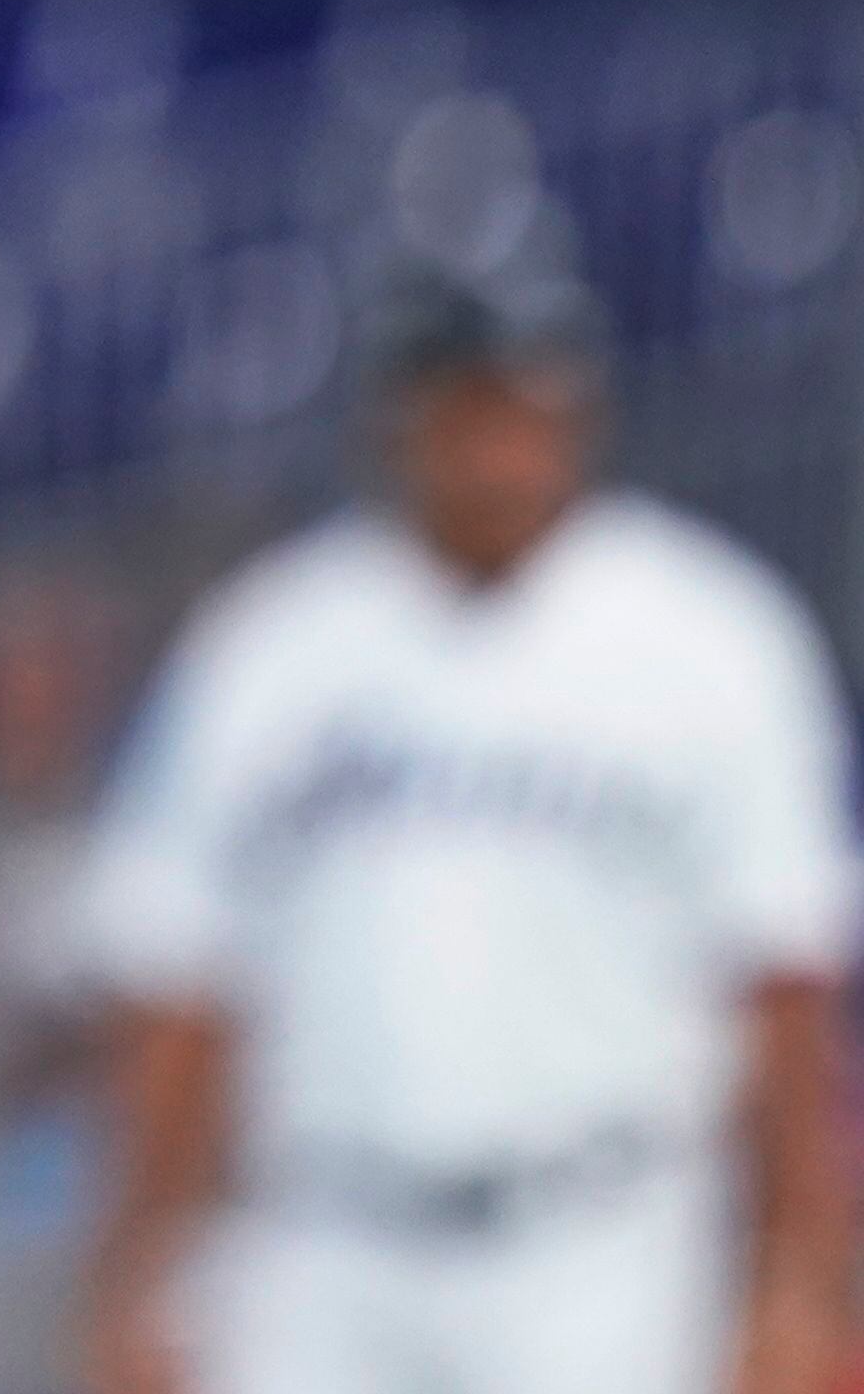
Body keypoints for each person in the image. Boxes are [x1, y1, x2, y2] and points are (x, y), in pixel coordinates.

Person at [77, 269, 857, 1394]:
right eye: (470, 409)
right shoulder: (267, 647)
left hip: (604, 1240)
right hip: (320, 1244)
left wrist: (800, 1275)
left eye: (529, 408)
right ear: (404, 422)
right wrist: (135, 1269)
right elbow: (179, 982)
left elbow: (786, 985)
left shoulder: (713, 636)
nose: (502, 447)